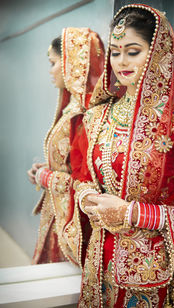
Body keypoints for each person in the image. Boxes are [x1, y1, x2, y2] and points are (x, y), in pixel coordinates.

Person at [69, 4, 174, 307]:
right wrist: (88, 198)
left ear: (156, 54)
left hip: (152, 276)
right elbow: (82, 178)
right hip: (98, 265)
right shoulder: (97, 117)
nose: (121, 62)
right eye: (115, 52)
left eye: (133, 51)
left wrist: (132, 213)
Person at [27, 27, 104, 264]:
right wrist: (47, 167)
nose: (50, 71)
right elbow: (69, 164)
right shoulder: (72, 108)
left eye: (53, 62)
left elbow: (87, 184)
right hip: (57, 211)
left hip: (73, 219)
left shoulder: (86, 114)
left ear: (71, 62)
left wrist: (44, 177)